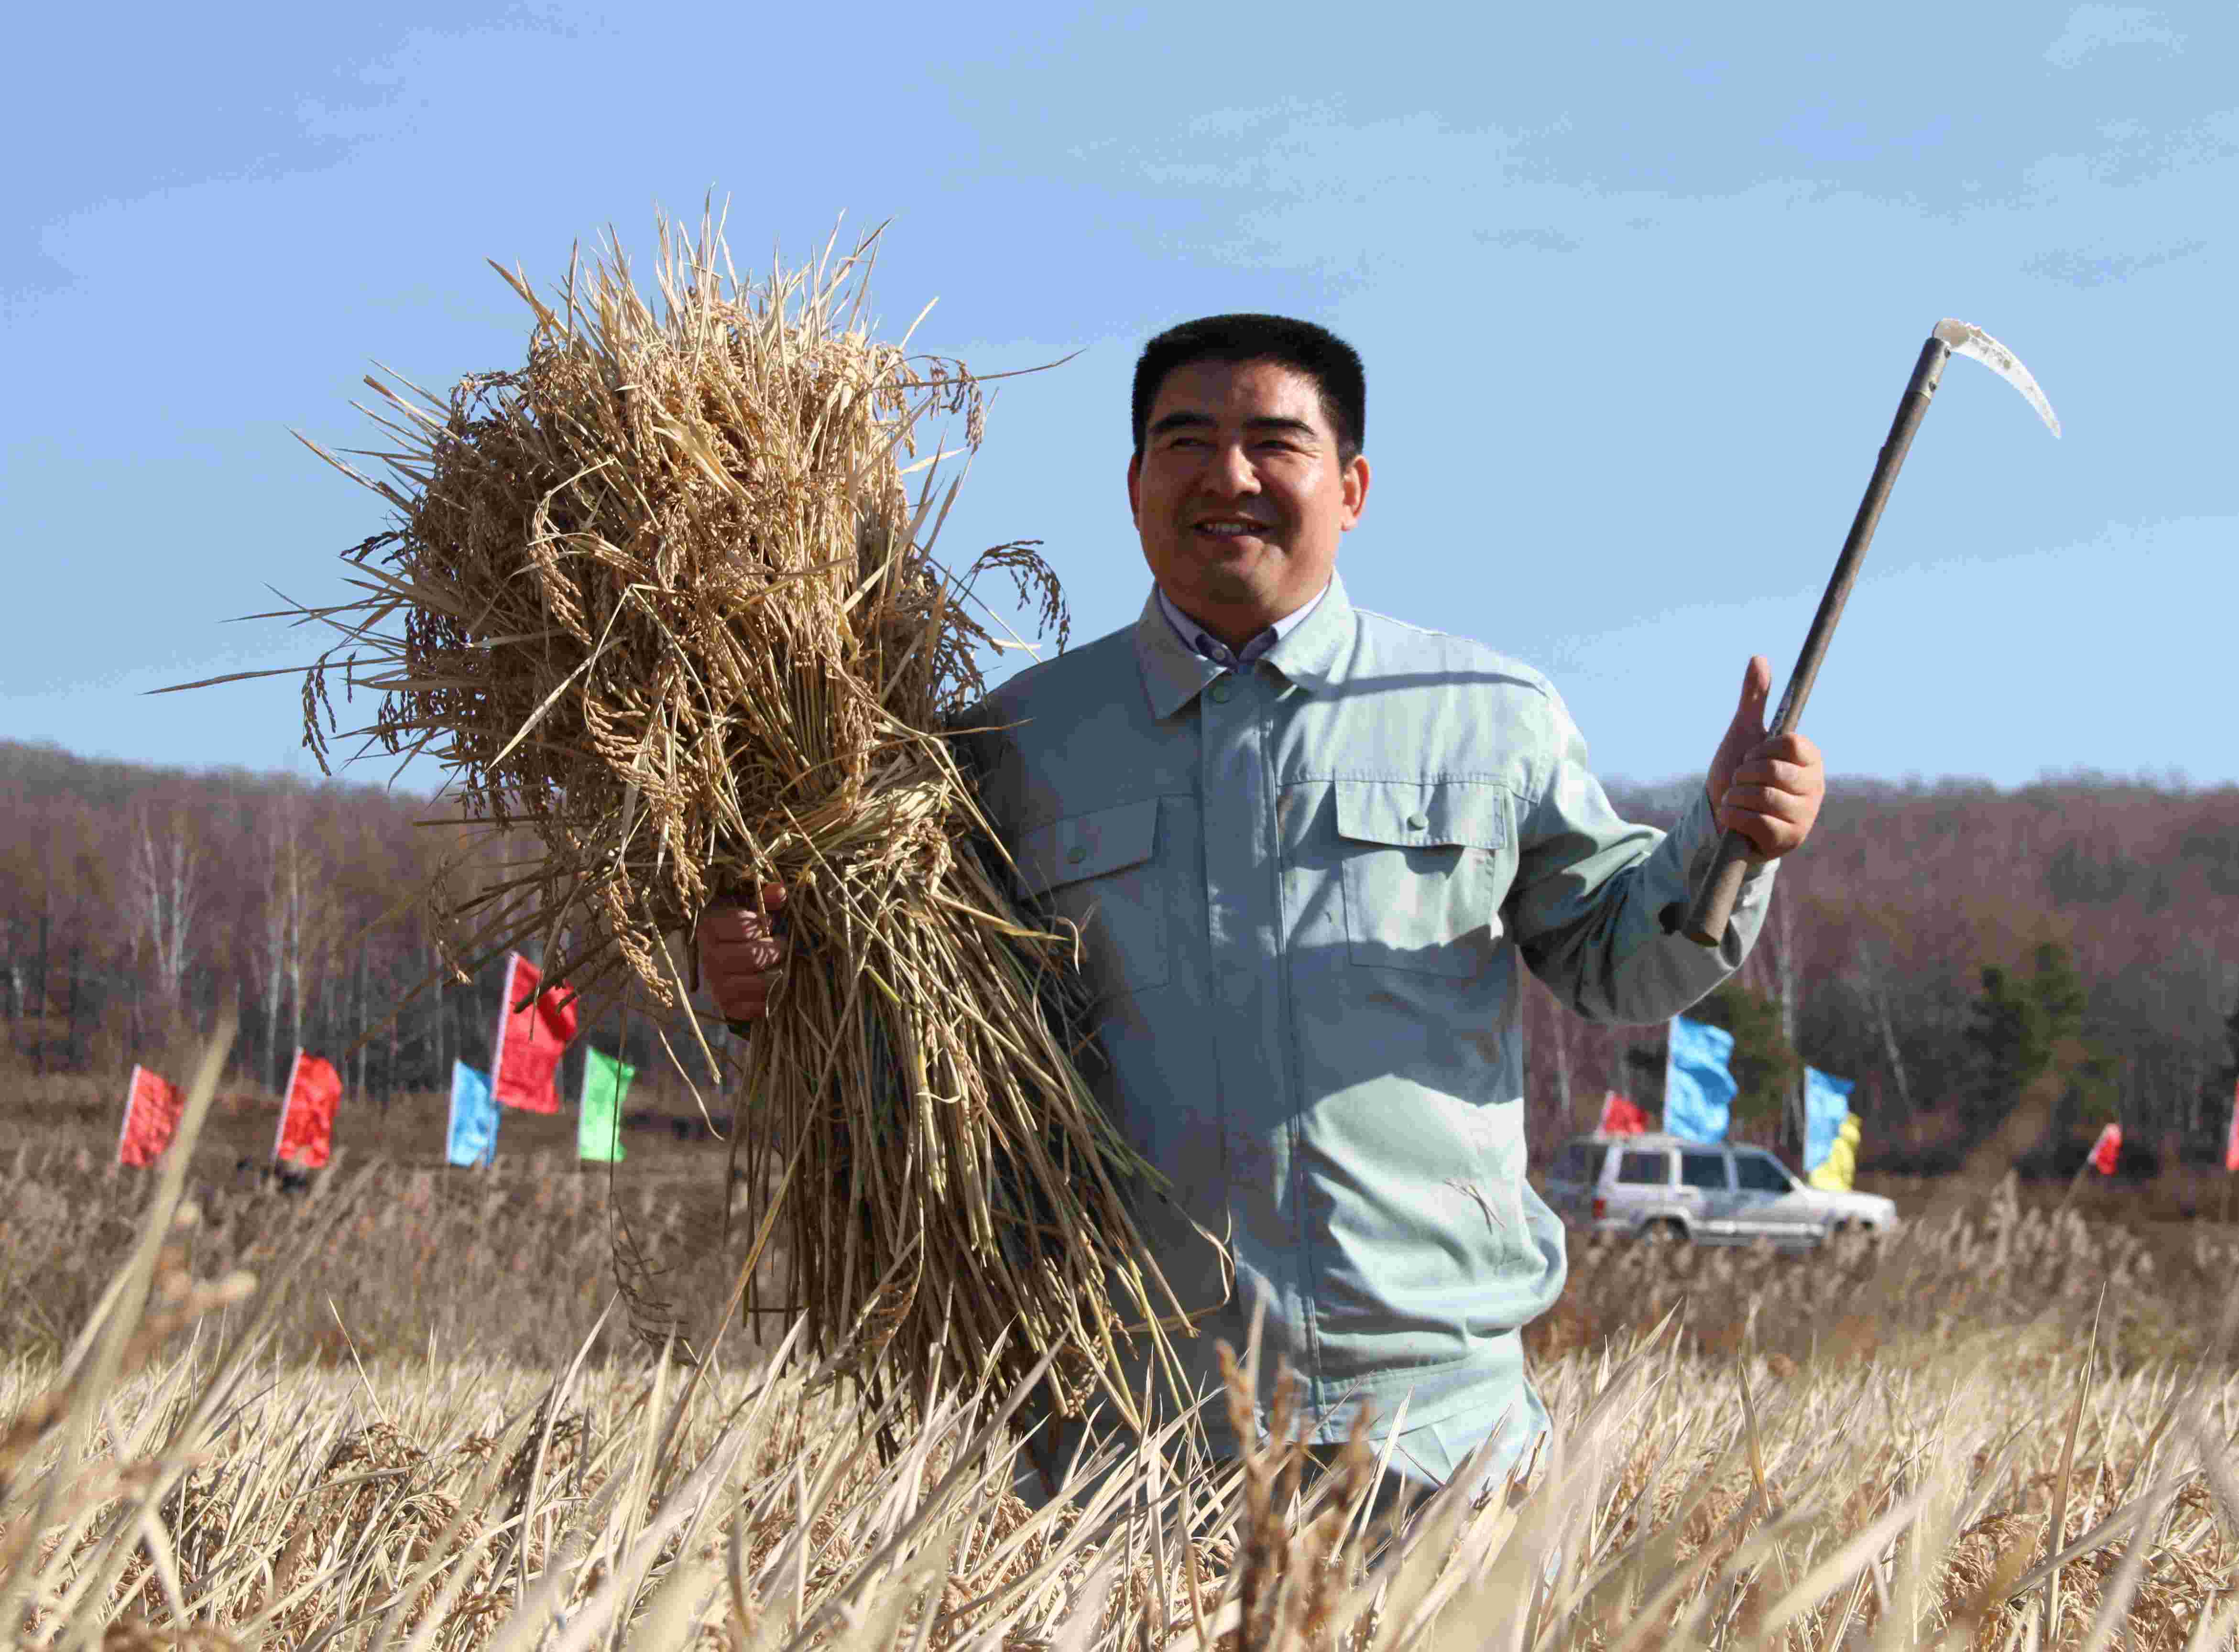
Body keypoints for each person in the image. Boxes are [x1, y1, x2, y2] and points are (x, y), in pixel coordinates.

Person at [699, 313, 1825, 1497]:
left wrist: (1731, 839)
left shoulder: (1488, 713)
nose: (1228, 474)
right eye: (1187, 440)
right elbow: (907, 1042)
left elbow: (1618, 961)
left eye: (1274, 442)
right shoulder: (1006, 746)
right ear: (1135, 486)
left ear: (1352, 487)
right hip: (1118, 1437)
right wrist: (771, 976)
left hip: (1435, 1439)